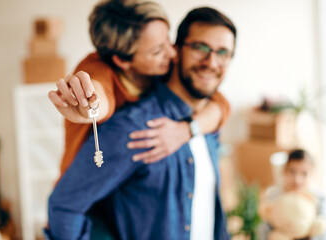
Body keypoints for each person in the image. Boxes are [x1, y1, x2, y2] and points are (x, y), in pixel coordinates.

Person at [47, 6, 237, 239]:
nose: (211, 62)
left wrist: (190, 129)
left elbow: (223, 105)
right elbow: (65, 206)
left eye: (223, 53)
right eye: (200, 47)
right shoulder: (134, 126)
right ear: (181, 49)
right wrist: (90, 107)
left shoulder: (208, 116)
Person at [48, 0, 230, 179]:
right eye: (157, 51)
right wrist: (88, 106)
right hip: (84, 194)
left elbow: (219, 103)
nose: (173, 53)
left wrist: (187, 130)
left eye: (168, 39)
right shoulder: (97, 69)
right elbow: (99, 95)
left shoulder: (162, 68)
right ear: (122, 61)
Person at [257, 149, 326, 240]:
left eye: (304, 174)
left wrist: (308, 233)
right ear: (284, 171)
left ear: (313, 174)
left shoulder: (320, 199)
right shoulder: (274, 196)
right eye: (292, 172)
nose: (297, 179)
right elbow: (262, 230)